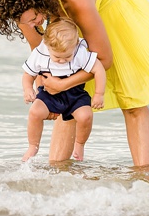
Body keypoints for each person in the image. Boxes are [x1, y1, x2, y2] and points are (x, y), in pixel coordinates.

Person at [0, 0, 149, 167]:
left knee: (132, 99)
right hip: (70, 13)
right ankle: (59, 173)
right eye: (27, 23)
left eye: (35, 18)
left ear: (39, 1)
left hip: (111, 6)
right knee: (63, 98)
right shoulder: (23, 9)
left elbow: (104, 59)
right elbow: (41, 56)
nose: (35, 24)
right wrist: (47, 91)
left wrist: (62, 84)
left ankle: (144, 176)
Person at [22, 18, 105, 162]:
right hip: (49, 94)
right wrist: (28, 89)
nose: (62, 61)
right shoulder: (40, 53)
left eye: (67, 56)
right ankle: (33, 146)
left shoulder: (79, 52)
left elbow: (99, 69)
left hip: (75, 94)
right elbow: (28, 74)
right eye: (57, 57)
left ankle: (79, 145)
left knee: (86, 116)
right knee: (35, 112)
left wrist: (99, 94)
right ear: (48, 47)